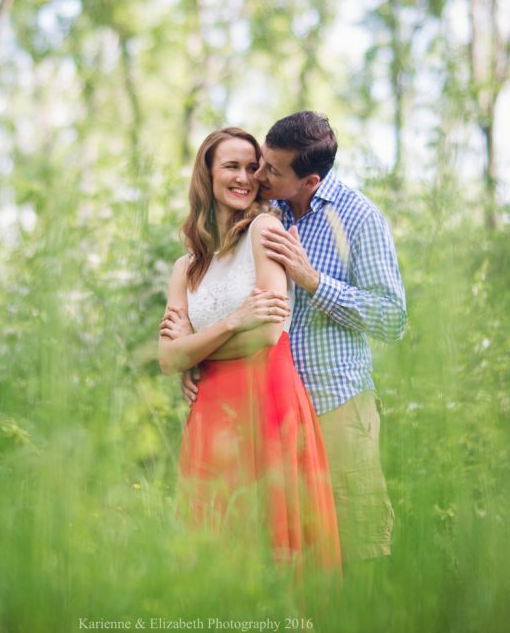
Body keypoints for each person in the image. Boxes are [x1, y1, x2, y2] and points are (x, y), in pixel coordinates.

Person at [166, 111, 407, 575]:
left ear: (309, 179)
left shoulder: (357, 218)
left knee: (352, 551)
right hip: (267, 410)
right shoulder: (263, 214)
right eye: (258, 164)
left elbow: (393, 319)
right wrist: (194, 361)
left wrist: (313, 281)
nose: (257, 176)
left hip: (334, 403)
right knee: (274, 554)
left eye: (270, 170)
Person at [158, 127, 342, 571]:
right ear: (207, 174)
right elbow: (167, 359)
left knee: (274, 542)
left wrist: (195, 351)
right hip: (210, 410)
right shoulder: (186, 266)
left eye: (252, 166)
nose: (245, 176)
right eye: (231, 166)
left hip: (268, 397)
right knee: (216, 545)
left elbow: (267, 333)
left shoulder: (264, 228)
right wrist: (232, 321)